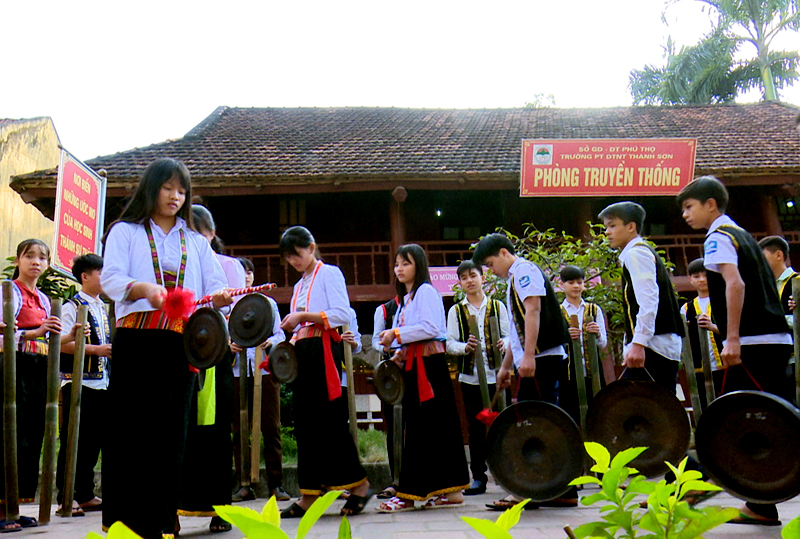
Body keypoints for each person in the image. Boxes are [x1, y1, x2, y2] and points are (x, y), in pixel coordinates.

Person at [101, 158, 232, 539]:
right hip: (137, 343)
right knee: (133, 433)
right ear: (151, 189)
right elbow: (111, 279)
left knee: (172, 435)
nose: (175, 196)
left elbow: (213, 285)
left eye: (182, 191)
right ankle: (129, 524)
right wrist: (144, 289)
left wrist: (219, 298)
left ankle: (163, 520)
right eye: (168, 188)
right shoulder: (125, 231)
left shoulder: (195, 241)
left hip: (180, 345)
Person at [679, 176, 792, 526]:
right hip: (773, 339)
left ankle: (698, 488)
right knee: (767, 422)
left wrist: (731, 339)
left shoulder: (718, 238)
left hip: (753, 342)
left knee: (729, 423)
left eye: (689, 206)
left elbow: (735, 284)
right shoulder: (741, 234)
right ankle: (759, 504)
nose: (685, 214)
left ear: (711, 204)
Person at [472, 233, 571, 510]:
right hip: (535, 358)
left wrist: (528, 356)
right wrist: (507, 367)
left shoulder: (524, 271)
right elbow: (518, 330)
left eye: (491, 264)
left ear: (504, 253)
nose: (491, 271)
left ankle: (528, 490)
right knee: (542, 423)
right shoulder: (515, 278)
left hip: (541, 358)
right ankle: (558, 489)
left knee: (534, 425)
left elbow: (533, 311)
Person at [278, 226, 370, 518]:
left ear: (311, 247)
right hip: (303, 353)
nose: (294, 261)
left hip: (323, 350)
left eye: (297, 254)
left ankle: (360, 485)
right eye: (288, 257)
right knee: (305, 424)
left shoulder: (329, 273)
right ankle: (310, 492)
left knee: (329, 421)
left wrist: (302, 316)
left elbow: (342, 313)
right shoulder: (298, 286)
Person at [376, 244, 469, 512]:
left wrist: (395, 334)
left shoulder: (426, 291)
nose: (399, 269)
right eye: (397, 264)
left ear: (419, 265)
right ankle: (452, 491)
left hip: (428, 368)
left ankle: (410, 493)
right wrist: (400, 352)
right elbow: (415, 334)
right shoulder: (407, 298)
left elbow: (430, 328)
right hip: (418, 364)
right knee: (437, 428)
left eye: (406, 263)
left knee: (420, 429)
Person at [0, 239, 78, 531]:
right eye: (29, 256)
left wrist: (71, 335)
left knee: (32, 436)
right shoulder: (7, 293)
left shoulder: (45, 300)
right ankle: (1, 508)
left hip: (38, 370)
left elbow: (48, 340)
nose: (36, 262)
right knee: (9, 433)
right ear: (18, 260)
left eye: (42, 257)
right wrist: (35, 332)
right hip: (12, 368)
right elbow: (5, 335)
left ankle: (14, 506)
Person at [175, 204, 241, 534]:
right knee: (177, 430)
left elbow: (239, 311)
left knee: (215, 433)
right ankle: (171, 509)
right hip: (178, 348)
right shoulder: (172, 260)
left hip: (213, 351)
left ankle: (220, 508)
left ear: (211, 234)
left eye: (197, 231)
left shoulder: (227, 266)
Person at [599, 202, 684, 393]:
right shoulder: (636, 252)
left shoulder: (636, 253)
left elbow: (648, 301)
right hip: (653, 344)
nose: (607, 232)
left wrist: (638, 344)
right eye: (606, 227)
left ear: (631, 226)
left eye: (612, 226)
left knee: (647, 405)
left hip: (653, 346)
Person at [445, 259, 509, 496]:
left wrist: (504, 343)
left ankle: (506, 472)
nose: (469, 281)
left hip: (497, 375)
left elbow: (510, 335)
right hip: (470, 377)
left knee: (502, 423)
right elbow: (449, 343)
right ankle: (479, 477)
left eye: (473, 275)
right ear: (460, 283)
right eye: (464, 278)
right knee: (476, 426)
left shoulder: (498, 306)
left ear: (483, 277)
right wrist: (465, 347)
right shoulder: (456, 311)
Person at [231, 257, 290, 503]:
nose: (245, 276)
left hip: (264, 370)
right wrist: (228, 345)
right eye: (241, 271)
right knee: (239, 429)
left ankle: (276, 484)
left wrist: (271, 342)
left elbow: (280, 334)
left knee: (271, 427)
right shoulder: (229, 304)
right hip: (237, 371)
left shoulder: (268, 303)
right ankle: (244, 484)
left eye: (249, 271)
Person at [56, 253, 110, 517]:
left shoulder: (102, 307)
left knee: (92, 442)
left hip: (102, 383)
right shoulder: (72, 306)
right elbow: (62, 344)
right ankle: (66, 497)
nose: (105, 277)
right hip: (78, 382)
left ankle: (86, 494)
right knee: (73, 440)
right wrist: (97, 350)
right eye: (100, 273)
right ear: (85, 276)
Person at [558, 264, 608, 424]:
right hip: (568, 373)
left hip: (593, 369)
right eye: (571, 282)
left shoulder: (594, 310)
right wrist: (566, 337)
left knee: (597, 411)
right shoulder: (558, 311)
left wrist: (597, 333)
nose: (576, 286)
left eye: (579, 282)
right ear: (562, 285)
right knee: (570, 414)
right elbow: (555, 344)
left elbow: (603, 343)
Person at [681, 258, 725, 410]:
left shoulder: (723, 300)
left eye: (705, 275)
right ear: (690, 279)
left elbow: (734, 330)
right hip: (699, 367)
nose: (702, 280)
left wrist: (713, 327)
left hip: (723, 364)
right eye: (696, 276)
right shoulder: (686, 308)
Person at [372, 296, 401, 500]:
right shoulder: (383, 310)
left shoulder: (419, 302)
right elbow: (375, 340)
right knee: (393, 427)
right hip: (391, 373)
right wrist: (385, 348)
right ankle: (396, 479)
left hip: (415, 367)